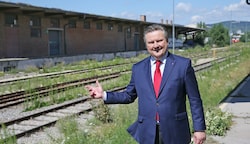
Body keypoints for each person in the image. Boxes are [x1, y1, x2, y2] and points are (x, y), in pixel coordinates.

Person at [85, 24, 206, 144]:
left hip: (175, 130)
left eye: (159, 41)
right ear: (146, 45)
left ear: (167, 41)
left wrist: (199, 128)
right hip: (148, 131)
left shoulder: (183, 65)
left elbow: (195, 99)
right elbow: (129, 95)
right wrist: (104, 95)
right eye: (151, 42)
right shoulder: (138, 68)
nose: (156, 45)